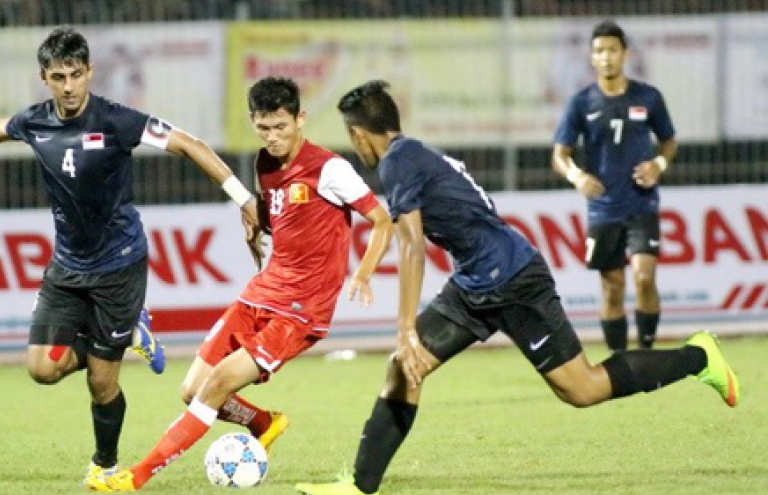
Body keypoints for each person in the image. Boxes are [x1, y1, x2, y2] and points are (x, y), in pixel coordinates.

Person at [294, 80, 739, 495]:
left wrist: (405, 326)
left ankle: (699, 356)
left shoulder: (395, 162)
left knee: (582, 389)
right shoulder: (410, 155)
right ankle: (359, 485)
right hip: (474, 284)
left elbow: (411, 245)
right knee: (403, 366)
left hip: (515, 279)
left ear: (358, 135)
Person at [0, 26, 260, 486]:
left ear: (90, 72)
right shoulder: (36, 122)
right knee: (41, 369)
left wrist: (243, 199)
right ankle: (128, 332)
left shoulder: (117, 121)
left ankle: (105, 464)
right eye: (57, 76)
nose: (68, 86)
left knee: (101, 382)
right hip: (67, 266)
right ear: (44, 78)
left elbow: (190, 144)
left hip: (118, 267)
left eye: (75, 74)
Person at [87, 76, 394, 492]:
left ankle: (136, 477)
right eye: (263, 128)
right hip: (261, 292)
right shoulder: (265, 165)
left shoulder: (330, 169)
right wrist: (256, 224)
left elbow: (381, 220)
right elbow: (276, 214)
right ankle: (265, 423)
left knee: (214, 386)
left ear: (300, 118)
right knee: (191, 388)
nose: (272, 138)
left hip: (299, 311)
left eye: (281, 127)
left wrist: (362, 272)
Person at [551, 20, 678, 352]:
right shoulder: (581, 103)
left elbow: (669, 142)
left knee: (644, 277)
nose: (605, 57)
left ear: (625, 54)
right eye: (599, 51)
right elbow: (559, 155)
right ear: (591, 58)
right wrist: (577, 176)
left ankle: (646, 352)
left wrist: (658, 164)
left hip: (641, 203)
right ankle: (620, 362)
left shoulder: (648, 97)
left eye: (612, 50)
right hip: (603, 207)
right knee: (612, 287)